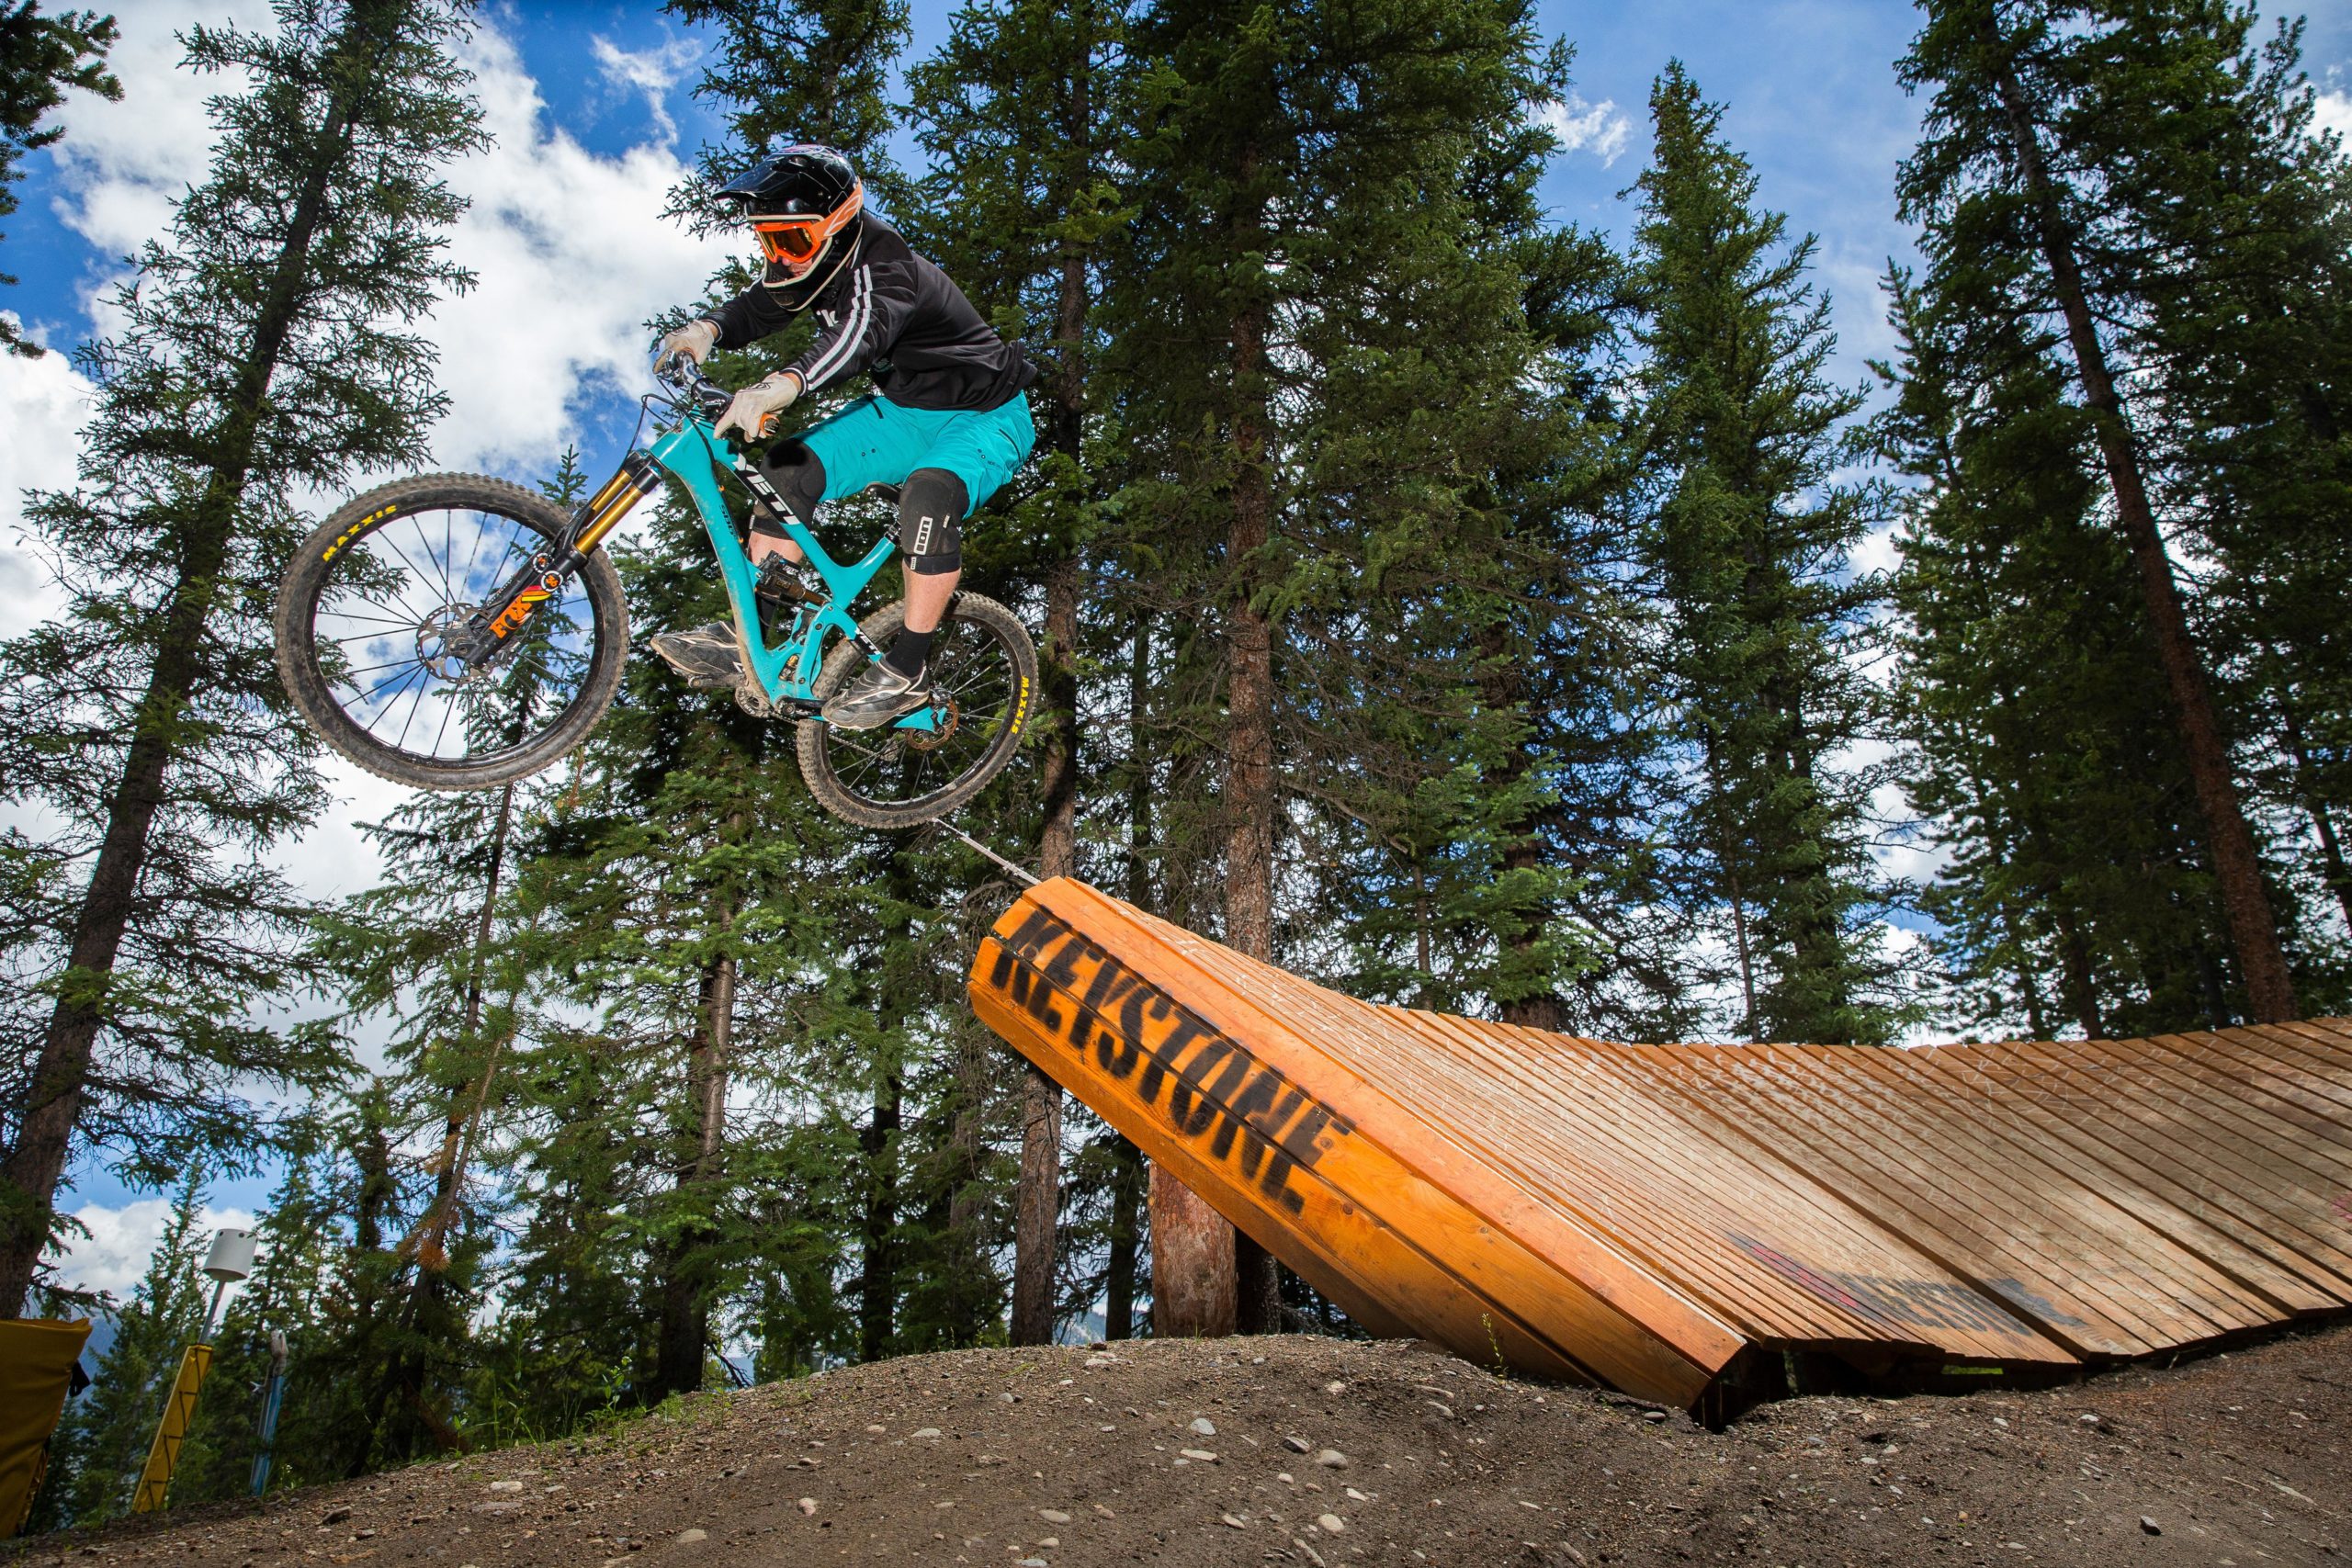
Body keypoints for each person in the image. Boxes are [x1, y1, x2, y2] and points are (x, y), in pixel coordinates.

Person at [650, 143, 1037, 728]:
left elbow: (857, 336)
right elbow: (766, 305)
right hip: (907, 414)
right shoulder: (817, 262)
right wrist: (708, 330)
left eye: (795, 241)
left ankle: (908, 669)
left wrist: (780, 386)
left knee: (930, 495)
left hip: (987, 414)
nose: (782, 258)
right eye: (770, 241)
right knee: (781, 468)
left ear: (838, 225)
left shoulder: (888, 270)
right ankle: (750, 635)